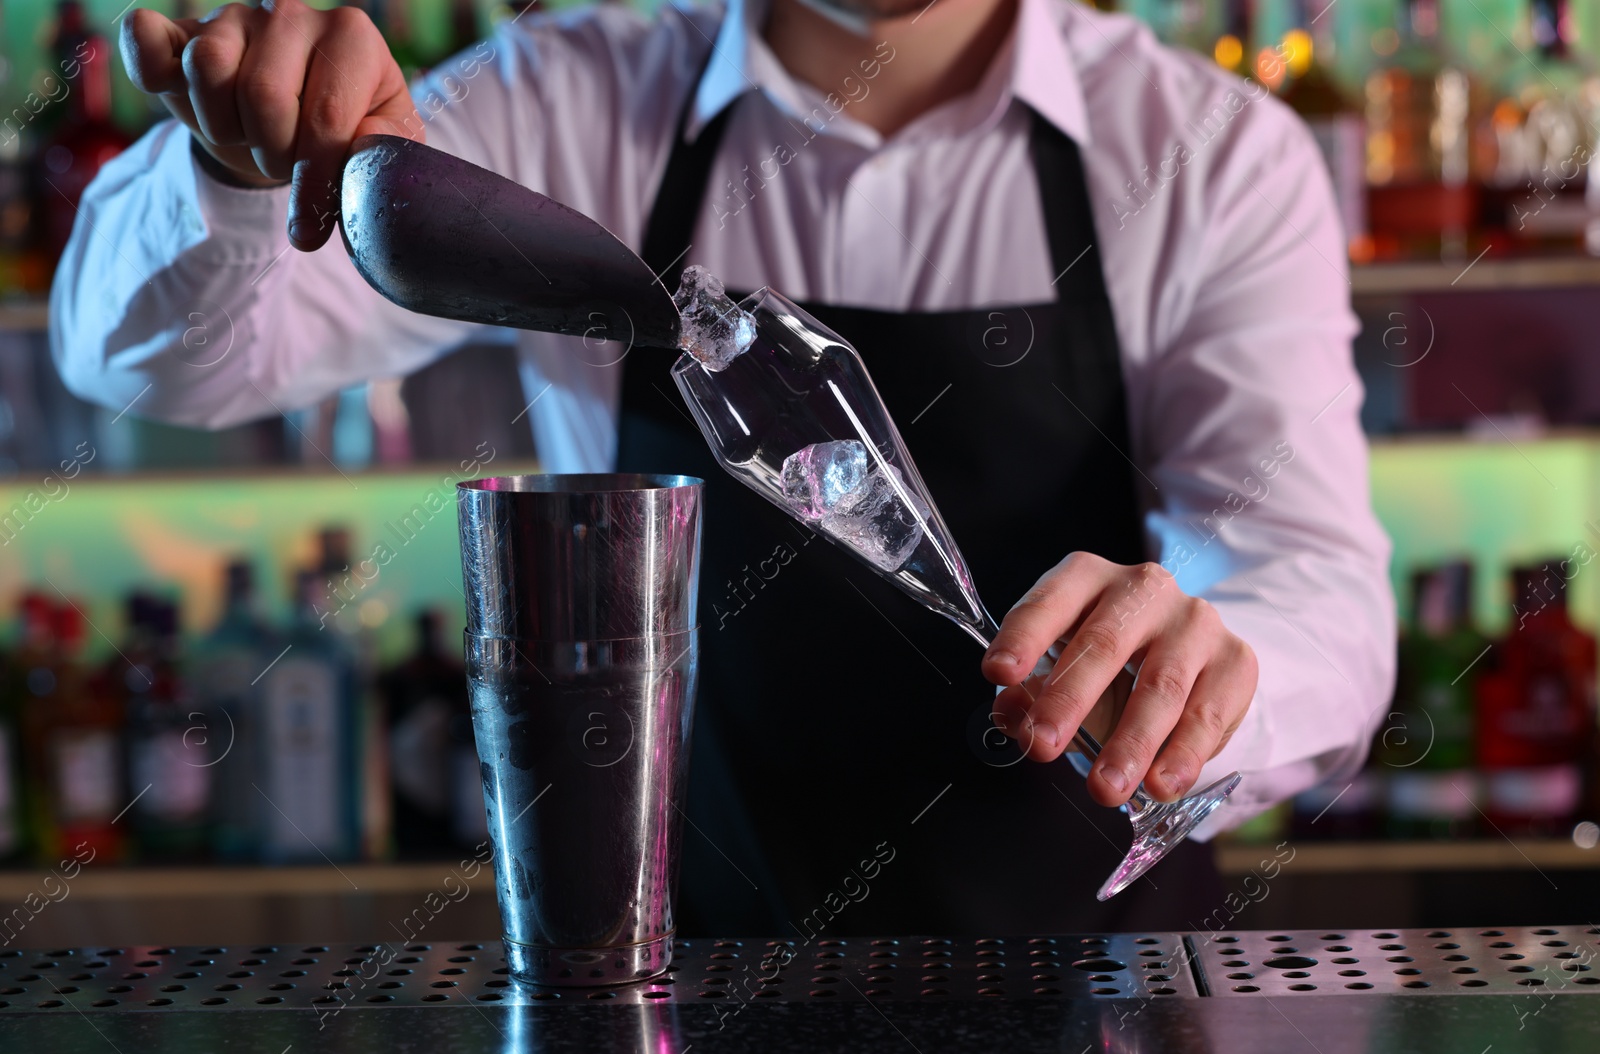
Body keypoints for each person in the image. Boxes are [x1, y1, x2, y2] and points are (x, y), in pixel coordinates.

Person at [54, 0, 1394, 933]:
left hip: (1102, 989)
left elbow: (1314, 584)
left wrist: (1222, 672)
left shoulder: (1208, 153)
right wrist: (230, 175)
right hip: (672, 980)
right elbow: (162, 364)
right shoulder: (560, 100)